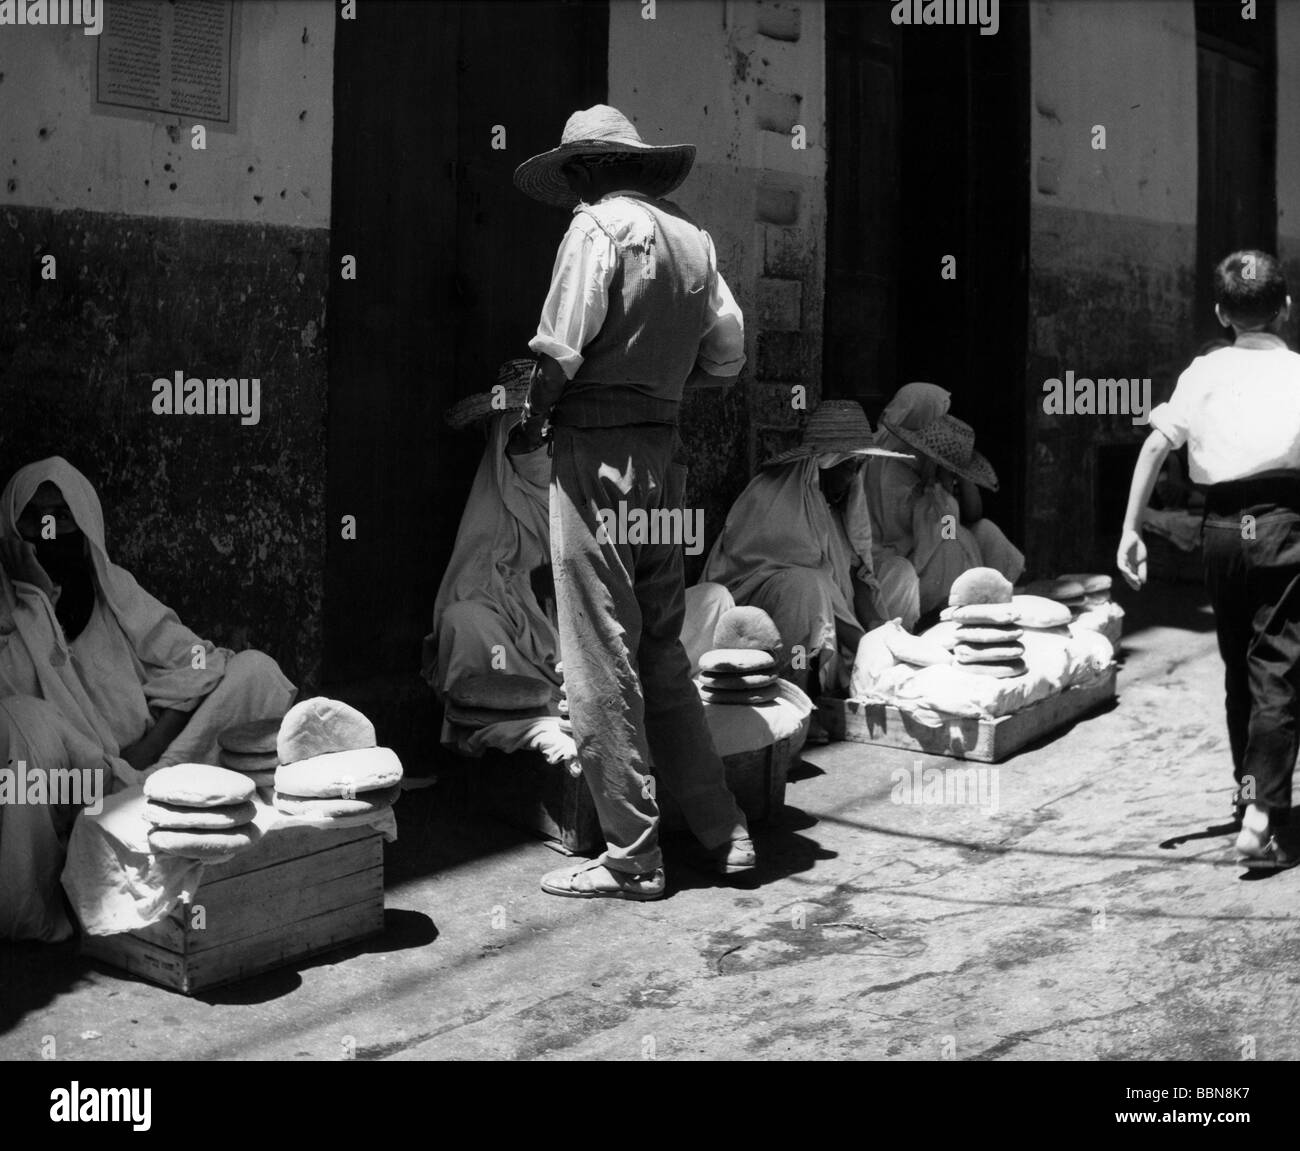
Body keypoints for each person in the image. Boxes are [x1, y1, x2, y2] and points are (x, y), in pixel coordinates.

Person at [510, 104, 753, 900]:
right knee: (660, 650)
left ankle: (635, 854)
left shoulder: (596, 230)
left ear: (583, 169)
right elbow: (728, 352)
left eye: (574, 176)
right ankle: (725, 829)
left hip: (597, 459)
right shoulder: (694, 240)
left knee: (598, 654)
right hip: (665, 461)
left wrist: (531, 423)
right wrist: (663, 374)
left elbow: (558, 351)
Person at [0, 457, 295, 940]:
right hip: (76, 787)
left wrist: (154, 743)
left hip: (157, 764)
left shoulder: (114, 590)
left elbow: (198, 659)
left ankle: (209, 811)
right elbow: (18, 697)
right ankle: (39, 903)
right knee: (19, 717)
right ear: (12, 529)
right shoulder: (7, 609)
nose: (49, 529)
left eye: (63, 515)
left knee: (253, 671)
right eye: (35, 517)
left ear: (86, 523)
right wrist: (34, 597)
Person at [422, 359, 736, 740]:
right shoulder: (495, 504)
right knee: (463, 621)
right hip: (531, 656)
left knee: (714, 601)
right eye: (530, 436)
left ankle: (640, 697)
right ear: (506, 439)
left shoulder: (604, 485)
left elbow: (649, 579)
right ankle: (522, 713)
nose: (542, 444)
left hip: (611, 641)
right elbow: (473, 589)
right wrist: (528, 590)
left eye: (553, 431)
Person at [1119, 250, 1300, 868]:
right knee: (1275, 665)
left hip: (1224, 529)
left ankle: (1249, 794)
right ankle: (1261, 814)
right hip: (1282, 524)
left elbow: (1154, 446)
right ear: (1286, 309)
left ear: (1223, 313)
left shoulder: (1202, 371)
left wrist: (1130, 529)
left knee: (1237, 667)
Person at [701, 400, 918, 716]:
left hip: (826, 610)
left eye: (859, 466)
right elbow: (818, 584)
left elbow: (857, 574)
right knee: (807, 585)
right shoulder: (772, 496)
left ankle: (864, 672)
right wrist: (869, 646)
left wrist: (880, 631)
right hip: (759, 618)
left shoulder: (836, 504)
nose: (854, 476)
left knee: (898, 573)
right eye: (849, 466)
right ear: (825, 465)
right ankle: (799, 696)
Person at [867, 382, 1024, 620]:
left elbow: (972, 515)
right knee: (948, 538)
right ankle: (948, 614)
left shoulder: (927, 454)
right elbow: (897, 531)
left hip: (930, 539)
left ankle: (990, 606)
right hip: (894, 552)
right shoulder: (884, 464)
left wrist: (954, 473)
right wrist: (939, 501)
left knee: (985, 532)